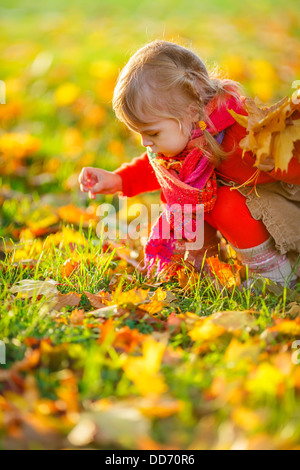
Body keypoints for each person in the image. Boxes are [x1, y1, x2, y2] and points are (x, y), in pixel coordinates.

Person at [79, 40, 300, 287]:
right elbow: (155, 167)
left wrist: (275, 159)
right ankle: (204, 265)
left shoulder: (242, 134)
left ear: (192, 112)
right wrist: (118, 179)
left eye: (152, 133)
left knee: (222, 203)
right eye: (139, 133)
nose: (144, 142)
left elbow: (291, 161)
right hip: (249, 213)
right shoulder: (187, 137)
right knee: (197, 202)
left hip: (281, 215)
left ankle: (275, 273)